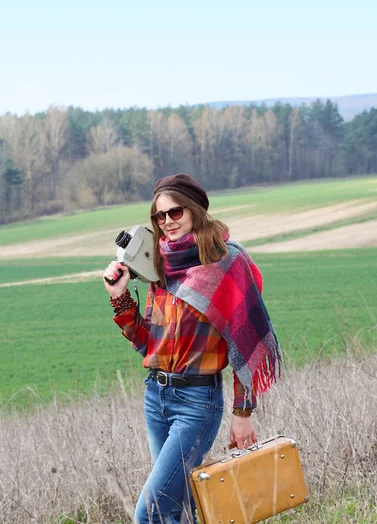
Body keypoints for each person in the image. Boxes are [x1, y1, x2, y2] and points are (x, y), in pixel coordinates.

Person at [103, 173, 281, 524]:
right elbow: (147, 344)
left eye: (175, 212)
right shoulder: (160, 267)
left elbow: (244, 343)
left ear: (195, 211)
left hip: (197, 405)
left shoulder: (226, 263)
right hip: (156, 397)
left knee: (150, 513)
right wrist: (120, 297)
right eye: (159, 216)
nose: (167, 222)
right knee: (177, 511)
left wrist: (242, 414)